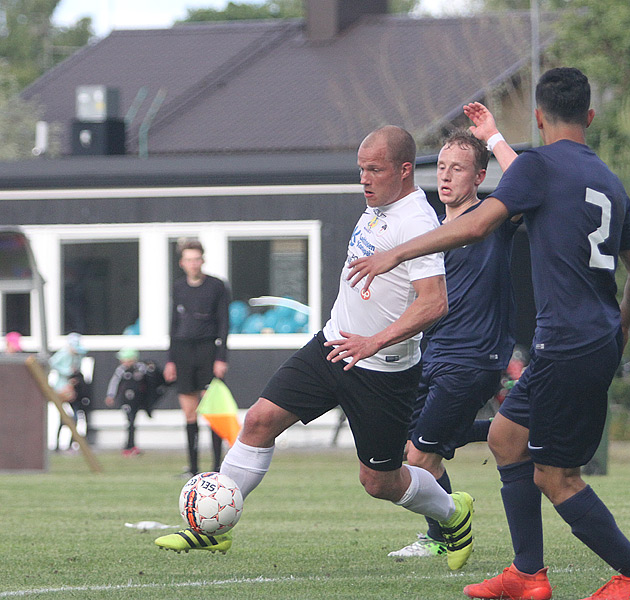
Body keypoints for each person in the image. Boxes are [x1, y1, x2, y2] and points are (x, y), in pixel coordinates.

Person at [347, 68, 630, 600]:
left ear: (538, 118)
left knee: (556, 476)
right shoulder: (606, 179)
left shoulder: (540, 165)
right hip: (589, 338)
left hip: (567, 341)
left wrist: (396, 253)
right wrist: (624, 325)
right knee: (504, 437)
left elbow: (475, 225)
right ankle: (527, 574)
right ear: (589, 116)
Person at [154, 125, 476, 573]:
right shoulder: (377, 207)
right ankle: (212, 527)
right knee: (259, 420)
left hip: (381, 368)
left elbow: (434, 302)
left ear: (404, 171)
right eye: (360, 169)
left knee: (379, 481)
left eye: (374, 170)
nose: (364, 179)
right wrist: (350, 331)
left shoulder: (415, 222)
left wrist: (373, 341)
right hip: (332, 345)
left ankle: (452, 513)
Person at [388, 130, 519, 559]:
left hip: (473, 358)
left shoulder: (492, 219)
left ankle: (443, 534)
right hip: (431, 356)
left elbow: (527, 181)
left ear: (479, 176)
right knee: (419, 449)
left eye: (458, 168)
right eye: (442, 167)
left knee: (418, 458)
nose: (445, 176)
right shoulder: (431, 230)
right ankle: (514, 431)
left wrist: (494, 136)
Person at [164, 239, 230, 477]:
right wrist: (170, 359)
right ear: (183, 263)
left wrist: (221, 357)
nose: (193, 264)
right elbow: (173, 324)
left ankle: (216, 466)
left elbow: (224, 323)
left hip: (207, 350)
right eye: (189, 260)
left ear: (202, 260)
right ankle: (192, 467)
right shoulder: (178, 288)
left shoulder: (216, 287)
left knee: (212, 410)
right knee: (189, 412)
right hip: (183, 352)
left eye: (197, 259)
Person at [105, 348, 163, 456]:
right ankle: (129, 446)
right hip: (127, 401)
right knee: (130, 422)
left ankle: (131, 445)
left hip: (138, 400)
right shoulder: (121, 370)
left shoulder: (141, 368)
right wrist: (111, 396)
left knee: (133, 422)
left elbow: (152, 381)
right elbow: (114, 383)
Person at [49, 332, 93, 451]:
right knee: (63, 416)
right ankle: (57, 443)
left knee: (75, 416)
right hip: (63, 389)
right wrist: (67, 371)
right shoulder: (63, 354)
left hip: (73, 390)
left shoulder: (78, 356)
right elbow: (52, 363)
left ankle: (71, 443)